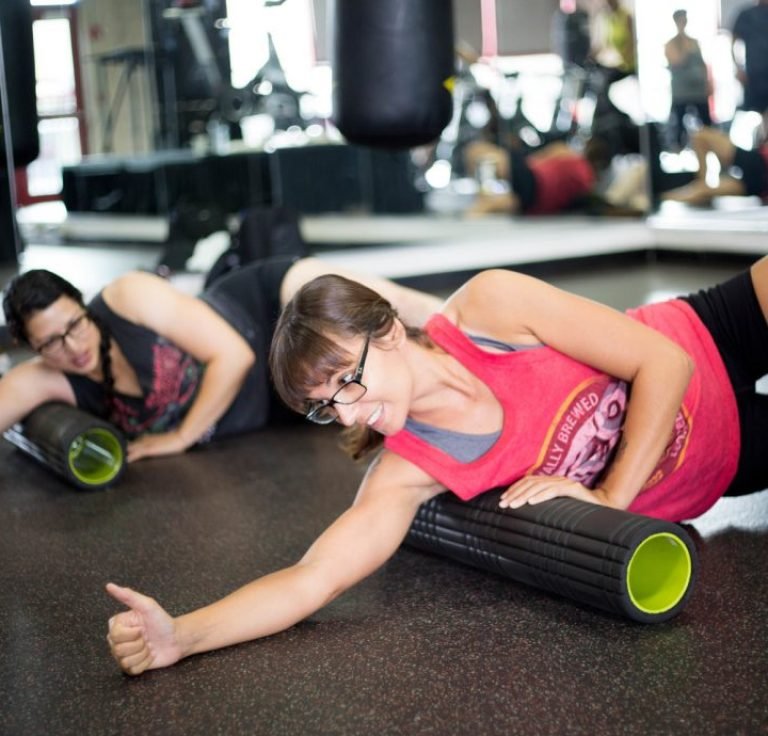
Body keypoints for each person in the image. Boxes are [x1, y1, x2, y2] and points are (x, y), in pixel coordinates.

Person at [106, 255, 768, 674]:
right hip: (723, 459)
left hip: (714, 332)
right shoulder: (408, 471)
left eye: (348, 382)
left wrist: (613, 494)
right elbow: (312, 581)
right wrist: (182, 636)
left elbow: (665, 362)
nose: (344, 415)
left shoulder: (491, 308)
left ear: (389, 332)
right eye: (322, 406)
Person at [0, 257, 441, 463]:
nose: (72, 346)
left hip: (266, 312)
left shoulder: (126, 296)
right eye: (51, 343)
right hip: (281, 402)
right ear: (31, 348)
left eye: (75, 325)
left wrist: (180, 437)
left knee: (413, 313)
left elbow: (234, 355)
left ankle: (495, 348)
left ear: (83, 305)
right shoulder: (46, 377)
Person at [462, 136, 613, 216]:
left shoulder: (574, 157)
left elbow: (541, 156)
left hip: (533, 178)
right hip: (532, 204)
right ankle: (482, 201)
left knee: (475, 150)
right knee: (485, 208)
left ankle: (483, 191)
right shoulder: (588, 185)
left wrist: (521, 161)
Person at [661, 125, 768, 205]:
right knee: (700, 137)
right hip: (758, 164)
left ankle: (660, 197)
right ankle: (661, 197)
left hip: (760, 178)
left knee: (701, 192)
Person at [664, 9, 712, 150]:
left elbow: (702, 64)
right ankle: (678, 149)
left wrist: (707, 83)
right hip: (681, 91)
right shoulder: (671, 43)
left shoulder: (694, 42)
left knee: (706, 122)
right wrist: (684, 45)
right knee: (679, 123)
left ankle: (710, 146)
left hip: (698, 89)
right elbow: (677, 61)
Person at [731, 0, 768, 131]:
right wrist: (738, 68)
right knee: (753, 114)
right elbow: (733, 41)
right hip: (754, 74)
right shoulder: (747, 15)